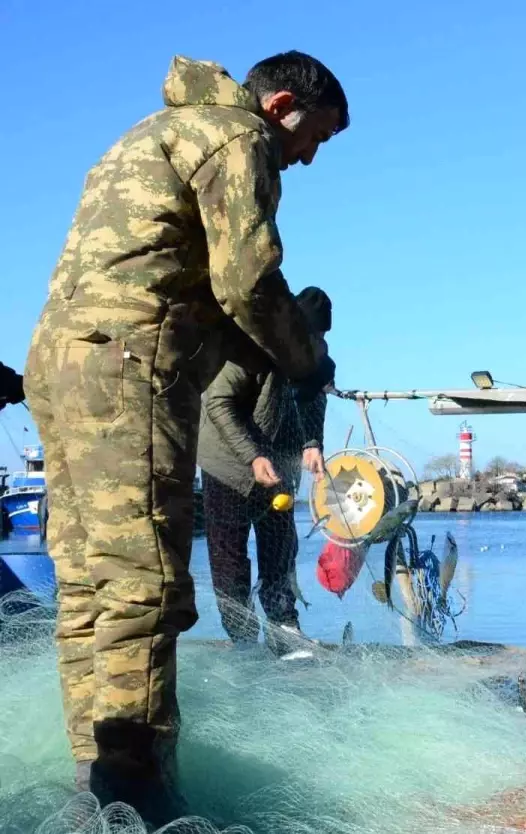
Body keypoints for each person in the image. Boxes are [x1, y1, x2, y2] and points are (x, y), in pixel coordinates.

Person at [22, 51, 348, 821]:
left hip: (58, 363)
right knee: (145, 582)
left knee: (89, 588)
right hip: (129, 366)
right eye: (315, 138)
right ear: (280, 108)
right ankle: (140, 796)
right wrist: (308, 357)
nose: (306, 158)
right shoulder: (239, 139)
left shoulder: (154, 132)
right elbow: (247, 284)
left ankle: (91, 782)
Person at [198, 287, 334, 658]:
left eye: (322, 337)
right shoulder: (252, 349)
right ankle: (243, 640)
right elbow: (219, 403)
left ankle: (284, 629)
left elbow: (315, 400)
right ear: (293, 330)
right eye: (311, 335)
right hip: (227, 466)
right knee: (230, 563)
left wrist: (312, 443)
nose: (317, 344)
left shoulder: (316, 363)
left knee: (280, 552)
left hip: (279, 473)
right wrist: (254, 456)